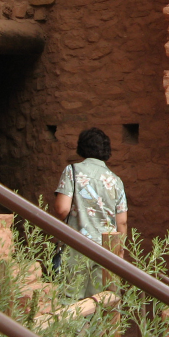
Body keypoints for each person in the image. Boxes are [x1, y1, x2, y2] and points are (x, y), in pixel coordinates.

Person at [54, 127, 128, 300]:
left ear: (81, 147)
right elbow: (122, 221)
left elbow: (62, 208)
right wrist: (120, 249)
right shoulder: (116, 180)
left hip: (77, 243)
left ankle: (74, 329)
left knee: (70, 301)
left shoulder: (72, 171)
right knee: (102, 302)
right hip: (106, 248)